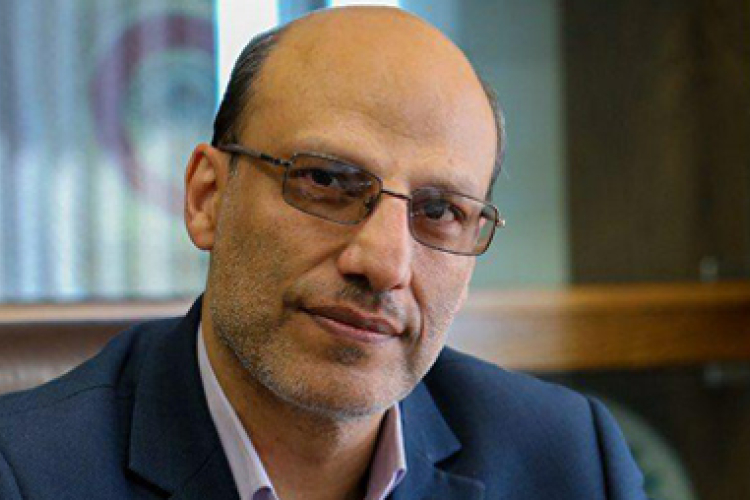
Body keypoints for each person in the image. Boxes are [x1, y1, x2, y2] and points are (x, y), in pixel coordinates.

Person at [0, 6, 647, 500]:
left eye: (439, 212)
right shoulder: (25, 474)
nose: (385, 265)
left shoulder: (569, 461)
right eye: (327, 181)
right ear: (207, 198)